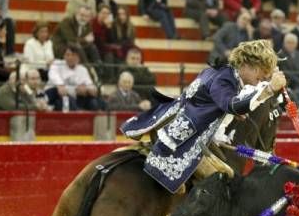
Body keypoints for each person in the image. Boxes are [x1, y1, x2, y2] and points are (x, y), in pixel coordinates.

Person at [120, 39, 286, 194]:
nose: (262, 77)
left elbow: (209, 102)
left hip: (181, 124)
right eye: (261, 71)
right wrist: (269, 89)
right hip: (187, 137)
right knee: (224, 179)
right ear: (248, 64)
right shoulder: (225, 78)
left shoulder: (222, 73)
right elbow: (232, 105)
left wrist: (230, 113)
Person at [45, 44, 99, 111]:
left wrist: (88, 89)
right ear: (64, 56)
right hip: (55, 94)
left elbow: (90, 85)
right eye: (67, 55)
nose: (70, 57)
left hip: (76, 96)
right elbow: (53, 76)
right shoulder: (57, 64)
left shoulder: (82, 69)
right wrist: (60, 85)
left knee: (94, 102)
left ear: (79, 57)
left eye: (73, 55)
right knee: (67, 100)